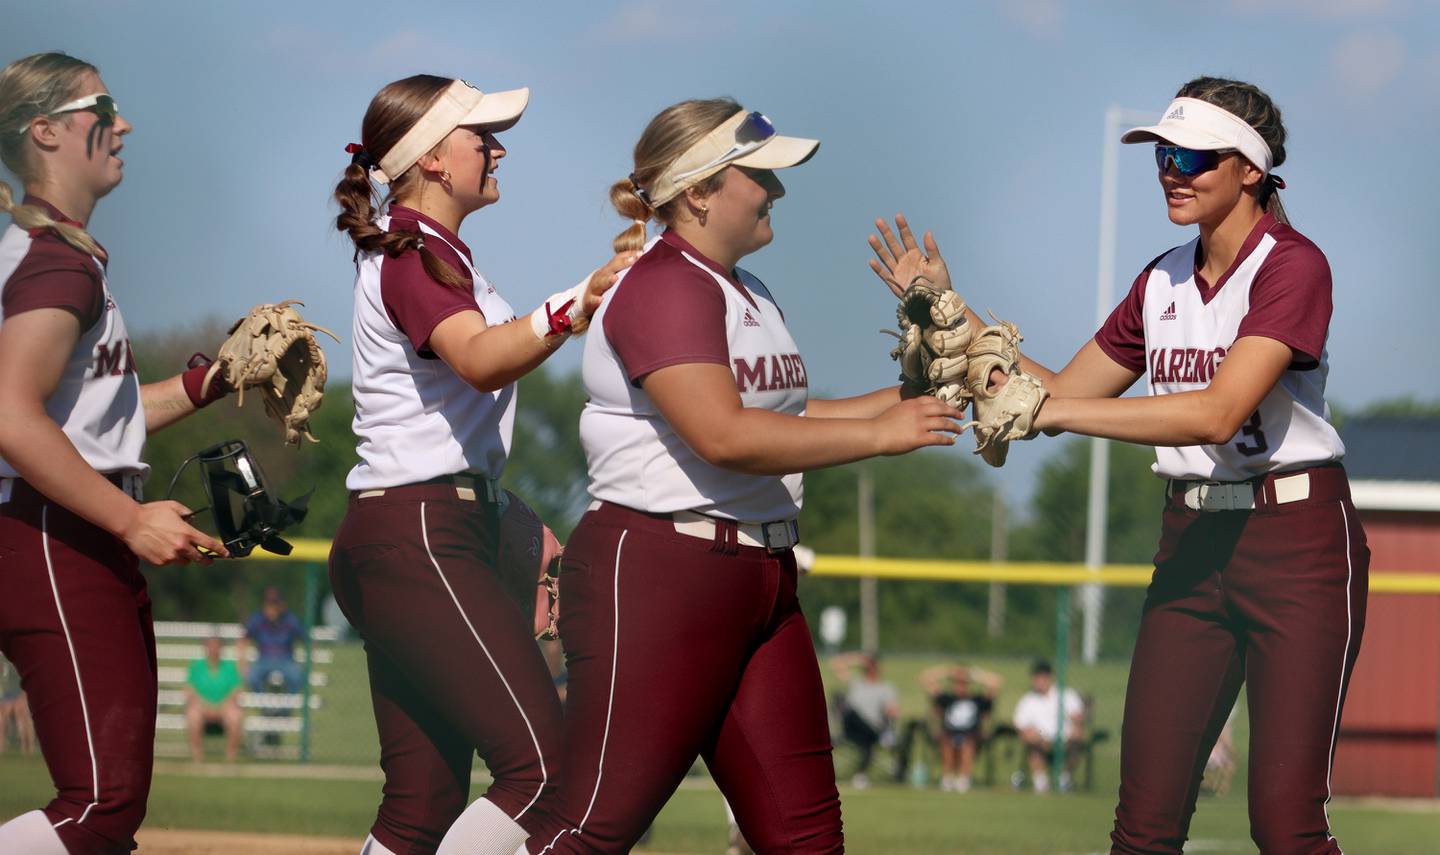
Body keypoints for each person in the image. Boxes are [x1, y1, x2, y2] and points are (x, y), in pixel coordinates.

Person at [871, 77, 1370, 854]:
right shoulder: (1162, 277)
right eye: (1163, 153)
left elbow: (1216, 411)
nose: (1172, 168)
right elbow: (1062, 393)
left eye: (1194, 155)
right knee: (1141, 827)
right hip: (1192, 543)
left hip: (1297, 542)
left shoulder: (1293, 266)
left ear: (1250, 169)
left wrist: (1044, 410)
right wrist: (950, 311)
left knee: (1287, 827)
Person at [523, 98, 965, 855]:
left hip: (757, 574)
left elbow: (797, 415)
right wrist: (880, 436)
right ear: (698, 192)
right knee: (592, 828)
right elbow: (721, 433)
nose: (777, 189)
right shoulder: (665, 284)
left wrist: (926, 388)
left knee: (806, 838)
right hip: (662, 571)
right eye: (759, 172)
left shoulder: (745, 289)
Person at [327, 74, 634, 855]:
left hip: (417, 529)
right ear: (430, 161)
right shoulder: (412, 252)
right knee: (543, 769)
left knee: (420, 808)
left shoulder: (432, 250)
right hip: (420, 534)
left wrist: (512, 524)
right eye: (479, 136)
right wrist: (573, 304)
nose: (497, 148)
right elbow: (479, 360)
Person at [0, 52, 233, 855]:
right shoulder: (55, 264)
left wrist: (209, 383)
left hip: (63, 524)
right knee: (99, 805)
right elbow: (12, 418)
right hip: (53, 533)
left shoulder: (55, 254)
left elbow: (96, 425)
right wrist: (130, 520)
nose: (123, 122)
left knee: (109, 811)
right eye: (103, 105)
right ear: (47, 131)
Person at [921, 664, 1001, 792]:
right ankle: (947, 778)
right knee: (947, 742)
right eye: (957, 683)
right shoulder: (947, 698)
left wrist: (973, 674)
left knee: (966, 743)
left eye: (963, 683)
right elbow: (925, 678)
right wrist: (949, 671)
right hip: (949, 733)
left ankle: (963, 779)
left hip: (971, 735)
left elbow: (997, 683)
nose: (960, 686)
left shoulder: (977, 700)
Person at [1010, 660, 1083, 793]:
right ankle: (1041, 781)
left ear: (1050, 678)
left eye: (1042, 677)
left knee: (1078, 734)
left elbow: (1078, 719)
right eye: (1036, 678)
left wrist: (1075, 724)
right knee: (1030, 738)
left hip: (1064, 738)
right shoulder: (1028, 700)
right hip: (1040, 738)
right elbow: (1020, 725)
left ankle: (1064, 779)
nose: (1039, 681)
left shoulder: (1066, 695)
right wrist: (1041, 739)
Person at [831, 651, 899, 790]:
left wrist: (889, 721)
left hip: (873, 729)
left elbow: (892, 712)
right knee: (845, 706)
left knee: (856, 719)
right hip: (852, 728)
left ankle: (861, 775)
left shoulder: (886, 688)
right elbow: (836, 664)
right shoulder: (856, 684)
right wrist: (859, 659)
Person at [184, 636, 244, 762]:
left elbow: (236, 691)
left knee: (236, 716)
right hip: (201, 707)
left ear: (221, 648)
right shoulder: (197, 666)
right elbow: (189, 690)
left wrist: (221, 706)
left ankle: (230, 758)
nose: (213, 649)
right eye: (210, 646)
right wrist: (204, 705)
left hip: (224, 708)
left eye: (216, 646)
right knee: (192, 715)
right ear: (205, 648)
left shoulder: (229, 666)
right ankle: (197, 757)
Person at [240, 586, 306, 693]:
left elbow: (306, 639)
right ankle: (264, 706)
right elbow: (244, 639)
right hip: (263, 660)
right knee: (252, 678)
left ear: (281, 605)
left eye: (274, 604)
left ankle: (286, 708)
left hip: (286, 660)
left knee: (296, 678)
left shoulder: (290, 620)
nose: (271, 608)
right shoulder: (257, 619)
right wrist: (243, 664)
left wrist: (305, 665)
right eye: (269, 604)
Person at [0, 653, 36, 755]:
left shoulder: (18, 656)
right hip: (6, 695)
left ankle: (28, 747)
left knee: (23, 716)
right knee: (1, 719)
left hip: (19, 693)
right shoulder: (2, 659)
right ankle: (1, 748)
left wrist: (23, 695)